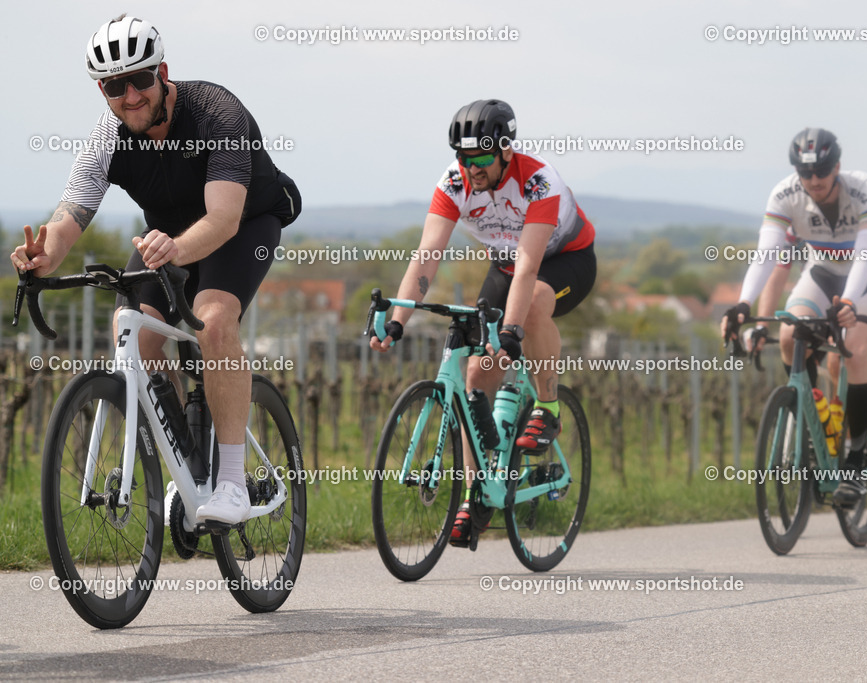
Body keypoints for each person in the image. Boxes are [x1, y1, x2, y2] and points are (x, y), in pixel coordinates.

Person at [10, 15, 300, 525]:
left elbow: (224, 219)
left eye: (140, 79)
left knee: (214, 321)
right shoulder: (108, 137)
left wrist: (177, 250)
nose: (131, 96)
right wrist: (44, 257)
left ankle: (232, 482)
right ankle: (187, 464)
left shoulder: (217, 114)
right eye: (114, 86)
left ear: (162, 73)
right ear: (102, 91)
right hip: (166, 235)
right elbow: (69, 216)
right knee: (135, 338)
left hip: (245, 223)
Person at [370, 99, 596, 545]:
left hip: (564, 261)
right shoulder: (454, 182)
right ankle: (478, 495)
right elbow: (427, 255)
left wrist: (511, 331)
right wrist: (398, 319)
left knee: (530, 308)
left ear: (506, 150)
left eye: (481, 158)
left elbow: (529, 268)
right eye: (464, 157)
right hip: (506, 267)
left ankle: (548, 408)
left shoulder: (538, 181)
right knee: (476, 371)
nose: (471, 168)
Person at [722, 127, 867, 507]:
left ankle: (855, 459)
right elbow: (768, 256)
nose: (814, 180)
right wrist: (743, 306)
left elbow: (866, 256)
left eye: (821, 171)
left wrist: (848, 302)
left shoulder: (866, 191)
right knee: (789, 336)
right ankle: (814, 418)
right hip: (822, 271)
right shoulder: (785, 195)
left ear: (837, 167)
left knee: (856, 351)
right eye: (805, 173)